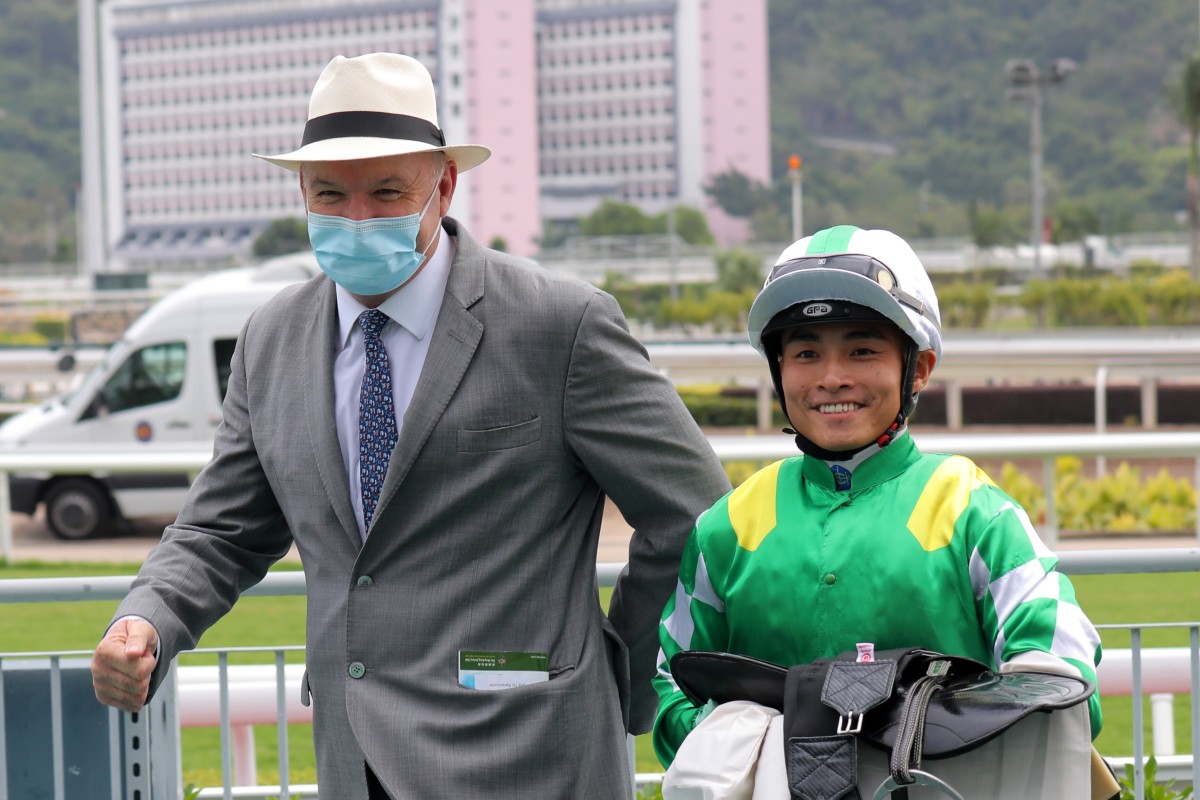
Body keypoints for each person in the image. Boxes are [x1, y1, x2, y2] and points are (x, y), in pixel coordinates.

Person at [90, 52, 731, 799]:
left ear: (443, 184)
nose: (357, 218)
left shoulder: (560, 325)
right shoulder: (271, 340)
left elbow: (694, 514)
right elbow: (220, 531)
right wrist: (147, 621)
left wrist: (620, 668)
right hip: (353, 761)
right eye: (331, 195)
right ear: (302, 191)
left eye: (388, 193)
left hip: (533, 757)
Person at [651, 225, 1103, 774]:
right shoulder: (727, 526)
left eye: (862, 350)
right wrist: (752, 739)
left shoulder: (975, 511)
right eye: (806, 353)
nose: (833, 378)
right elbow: (670, 687)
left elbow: (1067, 677)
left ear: (920, 369)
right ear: (778, 370)